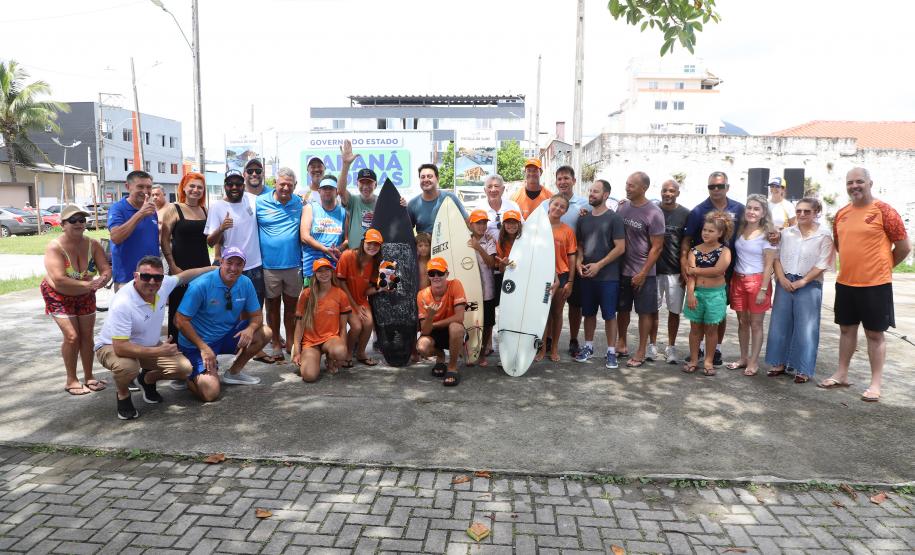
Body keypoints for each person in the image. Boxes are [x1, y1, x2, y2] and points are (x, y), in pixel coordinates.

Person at [819, 168, 910, 402]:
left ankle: (875, 384)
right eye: (850, 182)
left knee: (874, 334)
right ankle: (841, 374)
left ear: (870, 182)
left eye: (859, 181)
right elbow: (841, 246)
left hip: (875, 284)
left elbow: (904, 246)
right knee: (846, 329)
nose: (854, 186)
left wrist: (884, 266)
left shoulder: (885, 211)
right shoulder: (841, 214)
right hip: (846, 282)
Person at [94, 256, 214, 419]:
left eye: (157, 277)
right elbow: (120, 347)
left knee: (184, 368)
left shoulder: (163, 285)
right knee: (128, 367)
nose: (152, 281)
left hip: (149, 345)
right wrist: (160, 351)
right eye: (146, 276)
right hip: (112, 347)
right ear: (136, 276)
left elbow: (185, 276)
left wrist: (213, 269)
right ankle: (123, 393)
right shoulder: (123, 302)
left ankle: (147, 379)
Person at [175, 247, 272, 393]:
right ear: (221, 262)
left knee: (265, 332)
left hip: (225, 336)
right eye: (229, 262)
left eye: (239, 264)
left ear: (244, 266)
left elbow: (257, 316)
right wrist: (203, 347)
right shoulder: (201, 284)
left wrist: (250, 329)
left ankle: (234, 373)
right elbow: (180, 320)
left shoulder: (245, 282)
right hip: (197, 343)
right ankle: (188, 375)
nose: (233, 268)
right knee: (210, 393)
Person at [43, 205, 112, 395]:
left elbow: (105, 268)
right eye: (73, 220)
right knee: (72, 337)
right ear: (63, 224)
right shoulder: (54, 247)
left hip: (85, 293)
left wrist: (102, 279)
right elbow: (58, 278)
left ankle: (89, 377)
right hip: (58, 295)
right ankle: (71, 379)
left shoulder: (92, 244)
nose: (79, 223)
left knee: (86, 336)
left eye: (82, 220)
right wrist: (87, 285)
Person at [765, 198, 835, 383]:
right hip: (785, 280)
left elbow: (822, 263)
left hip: (809, 283)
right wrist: (781, 278)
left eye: (807, 211)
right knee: (780, 324)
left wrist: (803, 281)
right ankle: (778, 363)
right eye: (799, 211)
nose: (802, 214)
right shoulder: (787, 233)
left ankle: (803, 369)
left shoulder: (824, 235)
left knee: (806, 327)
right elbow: (777, 257)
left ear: (816, 212)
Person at [680, 171, 745, 366]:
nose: (716, 190)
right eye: (711, 186)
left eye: (720, 186)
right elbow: (686, 241)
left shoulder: (740, 209)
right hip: (698, 272)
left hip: (731, 270)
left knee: (718, 314)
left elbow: (754, 230)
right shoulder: (699, 211)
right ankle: (698, 352)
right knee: (698, 318)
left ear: (727, 187)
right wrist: (686, 266)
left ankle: (715, 350)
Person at [573, 180, 626, 369]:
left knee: (610, 315)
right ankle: (588, 347)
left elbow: (620, 247)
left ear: (605, 195)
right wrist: (579, 262)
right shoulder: (584, 218)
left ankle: (611, 351)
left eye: (596, 191)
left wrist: (599, 265)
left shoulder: (614, 219)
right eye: (590, 191)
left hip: (609, 277)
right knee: (588, 314)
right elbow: (580, 245)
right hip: (587, 276)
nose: (591, 194)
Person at [615, 172, 665, 367]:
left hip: (644, 274)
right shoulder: (623, 207)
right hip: (622, 271)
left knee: (645, 313)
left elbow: (657, 247)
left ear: (643, 188)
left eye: (632, 186)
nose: (627, 188)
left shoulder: (654, 212)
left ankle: (642, 350)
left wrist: (643, 273)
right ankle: (621, 342)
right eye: (627, 184)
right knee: (623, 310)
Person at [256, 167, 304, 362]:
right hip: (269, 267)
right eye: (282, 184)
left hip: (293, 265)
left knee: (292, 307)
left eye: (289, 185)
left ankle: (290, 341)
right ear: (274, 183)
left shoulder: (299, 203)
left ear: (294, 187)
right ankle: (276, 341)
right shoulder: (260, 202)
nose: (285, 188)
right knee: (273, 308)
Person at [725, 194, 777, 376]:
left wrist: (763, 289)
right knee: (742, 322)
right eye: (749, 208)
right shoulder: (740, 229)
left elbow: (769, 264)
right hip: (738, 280)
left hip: (757, 282)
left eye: (756, 209)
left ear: (763, 213)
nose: (752, 212)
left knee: (756, 324)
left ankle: (753, 361)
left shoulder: (768, 234)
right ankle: (743, 358)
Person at [545, 166, 591, 357]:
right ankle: (545, 343)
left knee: (573, 306)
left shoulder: (584, 204)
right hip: (547, 268)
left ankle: (572, 339)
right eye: (559, 178)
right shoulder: (546, 204)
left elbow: (599, 214)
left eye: (566, 178)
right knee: (545, 310)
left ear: (573, 180)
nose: (563, 181)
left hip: (570, 265)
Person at [160, 172, 209, 342]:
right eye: (192, 186)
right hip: (180, 264)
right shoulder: (174, 209)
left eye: (199, 187)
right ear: (184, 188)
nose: (196, 190)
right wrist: (172, 265)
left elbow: (211, 239)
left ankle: (198, 347)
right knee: (178, 307)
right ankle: (175, 347)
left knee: (201, 306)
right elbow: (164, 240)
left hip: (203, 264)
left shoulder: (205, 210)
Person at [682, 212, 733, 376]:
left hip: (715, 295)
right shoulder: (694, 250)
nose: (706, 233)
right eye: (705, 230)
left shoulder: (724, 251)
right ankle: (694, 360)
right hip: (697, 293)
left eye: (711, 231)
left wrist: (696, 270)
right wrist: (690, 293)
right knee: (695, 329)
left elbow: (718, 271)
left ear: (720, 233)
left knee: (712, 330)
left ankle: (709, 361)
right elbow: (690, 276)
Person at [205, 171, 266, 304]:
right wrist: (221, 228)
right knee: (230, 310)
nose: (234, 187)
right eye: (230, 184)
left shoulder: (253, 200)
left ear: (243, 185)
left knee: (255, 309)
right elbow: (210, 242)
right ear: (224, 186)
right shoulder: (216, 207)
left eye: (238, 184)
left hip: (254, 266)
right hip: (230, 268)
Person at [292, 258, 352, 382]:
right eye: (320, 271)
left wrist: (343, 353)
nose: (324, 274)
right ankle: (306, 355)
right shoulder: (306, 294)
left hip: (330, 339)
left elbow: (343, 327)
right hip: (310, 342)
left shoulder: (341, 294)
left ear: (332, 272)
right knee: (309, 376)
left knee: (340, 352)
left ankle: (330, 358)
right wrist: (297, 351)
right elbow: (299, 325)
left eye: (327, 270)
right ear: (314, 274)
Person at [651, 179, 690, 364]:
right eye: (665, 190)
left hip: (675, 272)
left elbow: (687, 243)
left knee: (674, 312)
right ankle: (651, 345)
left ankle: (671, 346)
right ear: (660, 192)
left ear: (678, 193)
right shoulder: (652, 210)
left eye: (672, 190)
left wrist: (685, 270)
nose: (668, 193)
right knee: (653, 310)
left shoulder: (685, 214)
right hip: (654, 270)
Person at [536, 195, 577, 362]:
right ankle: (542, 349)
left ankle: (554, 349)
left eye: (562, 207)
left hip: (561, 274)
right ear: (549, 205)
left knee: (557, 312)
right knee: (542, 315)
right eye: (556, 205)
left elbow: (572, 257)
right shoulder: (537, 226)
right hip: (540, 274)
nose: (558, 208)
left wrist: (570, 281)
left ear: (565, 211)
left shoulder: (567, 231)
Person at [336, 228, 384, 367]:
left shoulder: (375, 263)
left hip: (361, 300)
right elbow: (340, 282)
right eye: (370, 243)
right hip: (344, 299)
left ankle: (361, 353)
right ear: (363, 242)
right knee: (356, 326)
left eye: (376, 244)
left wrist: (380, 288)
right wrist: (355, 306)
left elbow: (367, 290)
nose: (372, 247)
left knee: (369, 323)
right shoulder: (347, 255)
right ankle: (348, 353)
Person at [416, 257, 467, 387]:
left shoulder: (455, 284)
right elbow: (425, 331)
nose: (436, 276)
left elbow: (459, 317)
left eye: (440, 273)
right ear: (428, 275)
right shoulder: (422, 295)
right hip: (433, 333)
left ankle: (452, 367)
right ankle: (440, 356)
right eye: (432, 273)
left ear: (447, 274)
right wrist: (431, 315)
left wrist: (434, 324)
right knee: (421, 347)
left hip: (451, 330)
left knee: (456, 327)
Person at [107, 170, 160, 291]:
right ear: (128, 186)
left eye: (149, 187)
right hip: (127, 279)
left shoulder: (151, 211)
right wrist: (141, 213)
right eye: (140, 187)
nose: (145, 191)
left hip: (152, 278)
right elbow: (116, 237)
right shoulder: (118, 208)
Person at [301, 176, 346, 285]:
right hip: (312, 268)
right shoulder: (310, 208)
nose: (327, 191)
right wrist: (325, 249)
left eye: (331, 188)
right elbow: (304, 237)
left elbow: (347, 240)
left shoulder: (344, 212)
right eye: (324, 188)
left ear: (336, 192)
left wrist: (338, 248)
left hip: (334, 267)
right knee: (311, 301)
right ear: (319, 191)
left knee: (334, 301)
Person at [467, 209, 498, 366]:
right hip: (469, 291)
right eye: (478, 222)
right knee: (470, 321)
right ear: (470, 224)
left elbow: (492, 264)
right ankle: (470, 352)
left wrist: (478, 247)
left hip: (487, 290)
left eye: (484, 222)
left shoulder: (490, 241)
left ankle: (483, 353)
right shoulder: (464, 239)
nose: (481, 226)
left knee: (487, 323)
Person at [407, 164, 467, 234]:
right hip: (425, 244)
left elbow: (467, 222)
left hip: (449, 244)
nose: (426, 179)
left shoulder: (450, 198)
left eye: (429, 176)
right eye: (422, 177)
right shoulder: (413, 204)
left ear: (437, 178)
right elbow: (405, 230)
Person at [340, 160, 377, 250]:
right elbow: (341, 190)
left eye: (369, 182)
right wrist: (346, 164)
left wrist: (402, 203)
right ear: (357, 184)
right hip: (355, 253)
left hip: (375, 253)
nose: (365, 186)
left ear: (375, 185)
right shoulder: (353, 200)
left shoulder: (382, 202)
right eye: (362, 182)